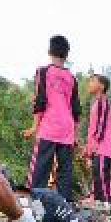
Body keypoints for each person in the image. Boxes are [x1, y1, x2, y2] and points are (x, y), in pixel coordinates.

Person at [23, 35, 81, 201]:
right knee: (65, 172)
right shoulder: (72, 78)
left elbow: (40, 100)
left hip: (49, 127)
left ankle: (35, 205)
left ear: (50, 51)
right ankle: (64, 207)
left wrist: (34, 126)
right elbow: (76, 109)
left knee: (40, 170)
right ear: (66, 54)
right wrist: (75, 135)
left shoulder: (43, 72)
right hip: (67, 129)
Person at [83, 74, 111, 203]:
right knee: (97, 178)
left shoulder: (103, 102)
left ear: (101, 86)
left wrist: (94, 146)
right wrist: (89, 148)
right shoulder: (97, 103)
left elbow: (100, 127)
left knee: (102, 179)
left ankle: (105, 205)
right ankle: (99, 204)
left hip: (103, 148)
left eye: (93, 81)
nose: (89, 84)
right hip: (97, 148)